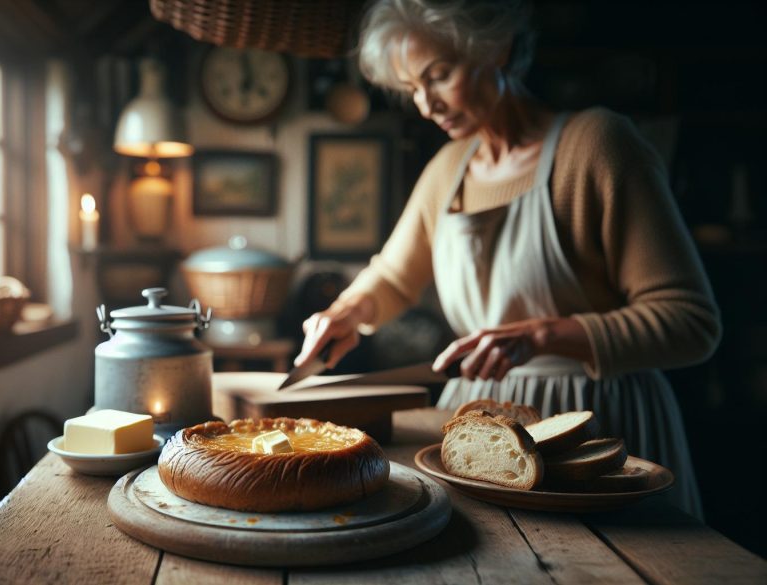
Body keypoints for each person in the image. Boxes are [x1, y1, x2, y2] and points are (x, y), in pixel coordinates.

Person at [293, 0, 720, 519]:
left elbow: (691, 322)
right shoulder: (448, 167)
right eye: (412, 89)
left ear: (494, 49)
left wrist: (538, 336)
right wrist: (347, 312)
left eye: (439, 76)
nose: (426, 105)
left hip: (598, 427)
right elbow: (391, 277)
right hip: (479, 430)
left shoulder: (598, 145)